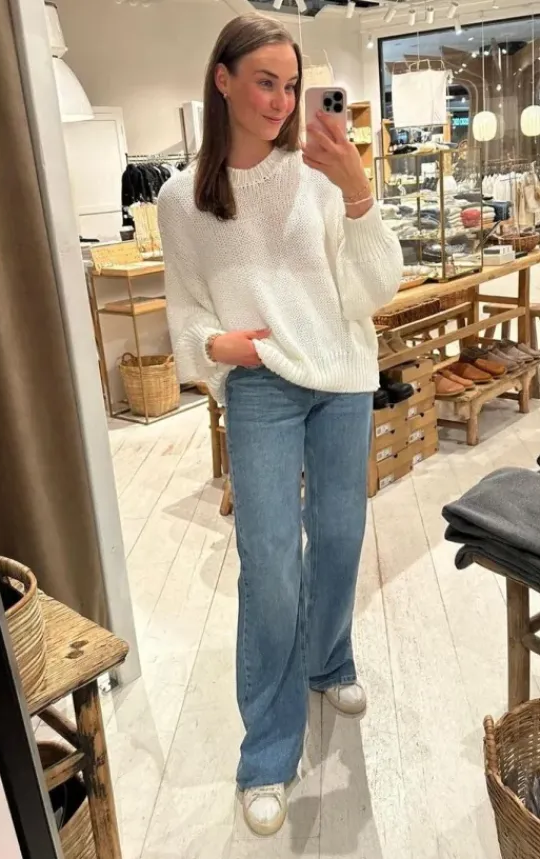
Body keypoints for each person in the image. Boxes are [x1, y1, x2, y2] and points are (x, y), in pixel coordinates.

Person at [158, 14, 403, 837]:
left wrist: (358, 192)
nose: (282, 101)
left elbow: (374, 287)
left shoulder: (320, 173)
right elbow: (184, 309)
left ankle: (328, 658)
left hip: (341, 373)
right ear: (222, 79)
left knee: (337, 536)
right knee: (269, 564)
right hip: (260, 380)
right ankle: (267, 752)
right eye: (265, 81)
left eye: (292, 86)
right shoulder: (181, 199)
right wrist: (215, 346)